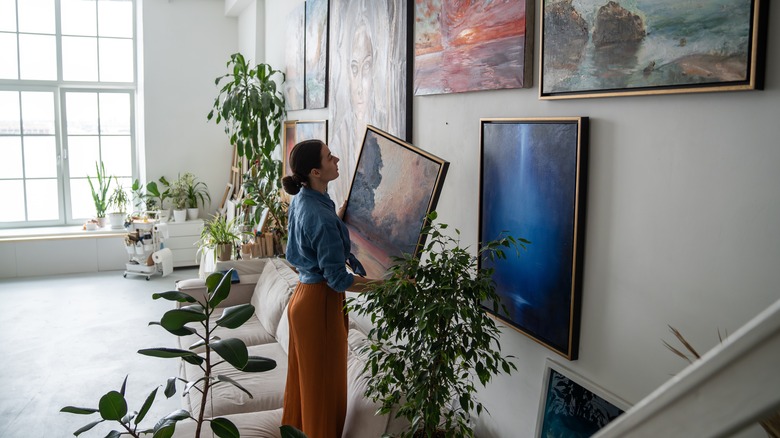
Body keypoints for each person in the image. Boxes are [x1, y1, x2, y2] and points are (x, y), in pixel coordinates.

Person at [280, 139, 376, 438]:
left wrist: (338, 218)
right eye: (328, 157)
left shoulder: (306, 198)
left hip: (305, 298)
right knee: (323, 391)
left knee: (306, 386)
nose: (336, 159)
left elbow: (314, 239)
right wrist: (387, 286)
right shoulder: (319, 214)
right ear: (315, 172)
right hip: (319, 303)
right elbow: (338, 280)